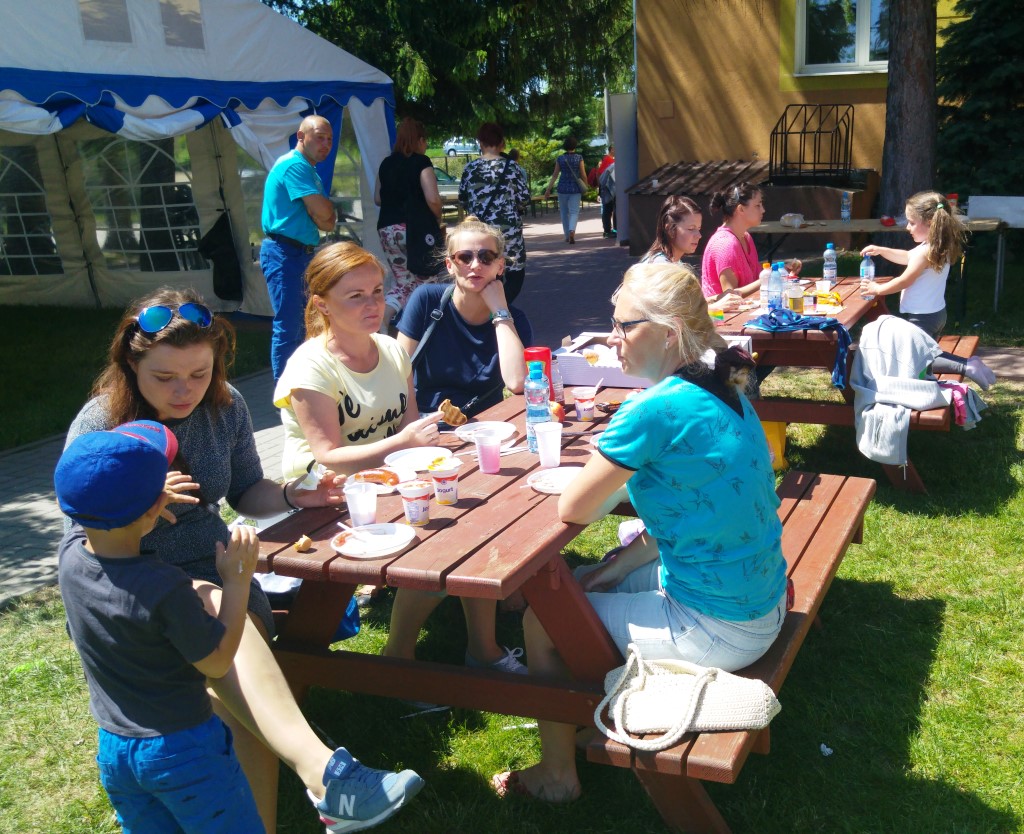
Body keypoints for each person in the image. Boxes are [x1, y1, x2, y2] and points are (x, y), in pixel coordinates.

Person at [65, 287, 424, 833]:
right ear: (130, 365)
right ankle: (324, 775)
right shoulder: (100, 424)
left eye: (200, 373)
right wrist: (142, 499)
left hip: (216, 565)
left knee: (234, 703)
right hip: (132, 583)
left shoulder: (225, 404)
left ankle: (303, 795)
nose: (185, 390)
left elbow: (245, 490)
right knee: (222, 659)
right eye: (165, 377)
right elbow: (85, 532)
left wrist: (294, 495)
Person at [493, 261, 787, 802]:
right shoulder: (723, 384)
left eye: (624, 326)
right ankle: (581, 710)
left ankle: (557, 775)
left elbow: (574, 508)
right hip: (761, 601)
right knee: (585, 577)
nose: (613, 337)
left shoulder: (654, 409)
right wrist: (613, 569)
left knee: (544, 618)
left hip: (720, 629)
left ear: (669, 332)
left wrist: (619, 447)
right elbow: (691, 511)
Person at [274, 240, 527, 675]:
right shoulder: (310, 367)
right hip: (325, 500)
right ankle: (399, 655)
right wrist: (404, 443)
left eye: (377, 291)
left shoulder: (390, 351)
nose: (373, 305)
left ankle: (483, 646)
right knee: (443, 545)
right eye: (356, 296)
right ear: (322, 304)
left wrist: (430, 451)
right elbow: (329, 458)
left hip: (385, 482)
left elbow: (409, 436)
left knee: (476, 516)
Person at [55, 420, 264, 833]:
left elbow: (97, 508)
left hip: (116, 747)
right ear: (154, 508)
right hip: (184, 749)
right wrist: (237, 580)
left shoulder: (69, 557)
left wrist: (145, 500)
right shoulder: (165, 587)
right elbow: (217, 662)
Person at [398, 215, 531, 417]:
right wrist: (411, 424)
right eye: (464, 257)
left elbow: (517, 382)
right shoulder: (427, 300)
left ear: (500, 266)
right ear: (450, 265)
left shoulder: (515, 321)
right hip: (424, 418)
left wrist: (500, 312)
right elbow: (399, 370)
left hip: (484, 423)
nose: (476, 265)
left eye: (486, 257)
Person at [261, 115, 338, 380]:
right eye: (319, 137)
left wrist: (323, 212)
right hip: (284, 253)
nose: (325, 144)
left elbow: (327, 221)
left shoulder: (308, 168)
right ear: (301, 137)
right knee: (290, 326)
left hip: (299, 253)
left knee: (307, 324)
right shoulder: (295, 166)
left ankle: (305, 383)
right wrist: (322, 212)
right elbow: (323, 214)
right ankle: (286, 391)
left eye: (329, 139)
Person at [859, 190, 968, 338]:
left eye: (911, 223)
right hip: (936, 313)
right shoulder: (936, 246)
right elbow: (907, 256)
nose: (907, 227)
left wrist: (877, 289)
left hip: (922, 318)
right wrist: (881, 250)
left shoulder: (924, 253)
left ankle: (960, 361)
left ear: (930, 222)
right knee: (927, 352)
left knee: (916, 352)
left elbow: (904, 281)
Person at [375, 116, 446, 326]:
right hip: (416, 229)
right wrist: (437, 217)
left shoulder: (385, 164)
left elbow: (377, 198)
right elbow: (433, 198)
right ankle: (427, 330)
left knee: (403, 284)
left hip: (388, 229)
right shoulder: (421, 162)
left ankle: (382, 322)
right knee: (428, 281)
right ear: (420, 140)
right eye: (425, 141)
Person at [458, 122, 531, 302]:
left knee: (483, 271)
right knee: (515, 274)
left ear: (480, 142)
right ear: (502, 143)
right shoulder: (512, 168)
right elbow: (524, 199)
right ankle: (500, 307)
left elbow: (463, 200)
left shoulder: (470, 169)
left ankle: (487, 308)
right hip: (509, 234)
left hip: (480, 233)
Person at [643, 195, 744, 313]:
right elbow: (674, 316)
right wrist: (717, 308)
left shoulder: (674, 263)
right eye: (691, 229)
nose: (699, 235)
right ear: (670, 229)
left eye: (699, 229)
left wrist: (717, 299)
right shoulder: (661, 267)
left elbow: (687, 306)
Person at [700, 182, 766, 300]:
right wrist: (766, 280)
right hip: (722, 312)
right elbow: (730, 296)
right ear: (740, 209)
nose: (763, 210)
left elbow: (756, 279)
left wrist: (778, 272)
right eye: (758, 205)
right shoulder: (725, 245)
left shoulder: (746, 237)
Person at [542, 136, 587, 244]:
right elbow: (583, 174)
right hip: (575, 189)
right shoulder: (579, 158)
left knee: (564, 212)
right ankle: (572, 230)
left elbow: (555, 175)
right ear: (575, 146)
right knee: (574, 212)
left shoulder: (560, 158)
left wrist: (548, 189)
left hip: (562, 188)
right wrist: (586, 185)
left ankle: (567, 235)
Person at [598, 161, 616, 239]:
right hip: (609, 189)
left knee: (607, 210)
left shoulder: (612, 166)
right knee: (610, 210)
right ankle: (609, 231)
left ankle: (607, 231)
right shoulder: (615, 166)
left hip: (606, 188)